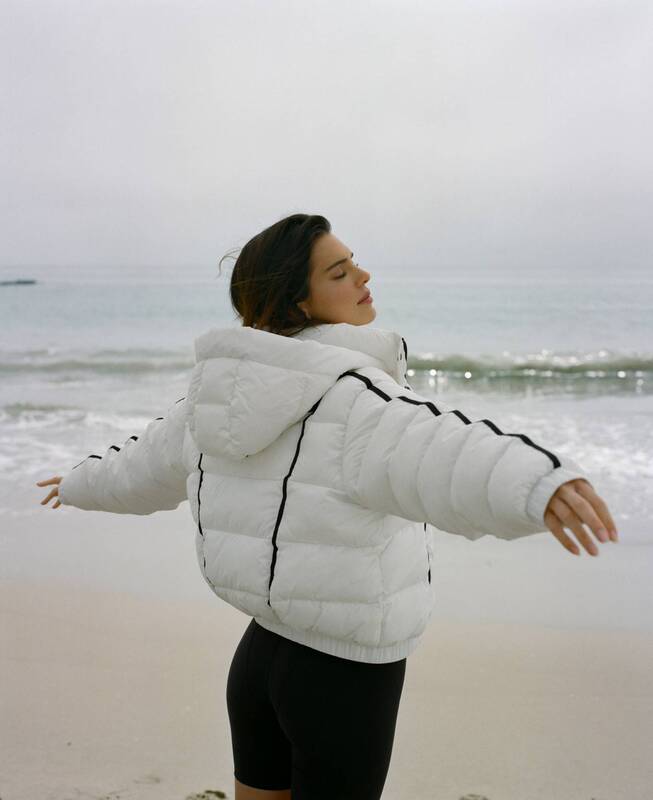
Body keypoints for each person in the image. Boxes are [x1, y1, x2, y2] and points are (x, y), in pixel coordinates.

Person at [37, 213, 618, 800]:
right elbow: (442, 449)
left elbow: (139, 468)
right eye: (339, 273)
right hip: (345, 680)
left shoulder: (216, 395)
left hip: (258, 660)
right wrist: (540, 484)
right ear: (299, 301)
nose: (364, 276)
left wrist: (79, 483)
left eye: (353, 263)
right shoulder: (353, 399)